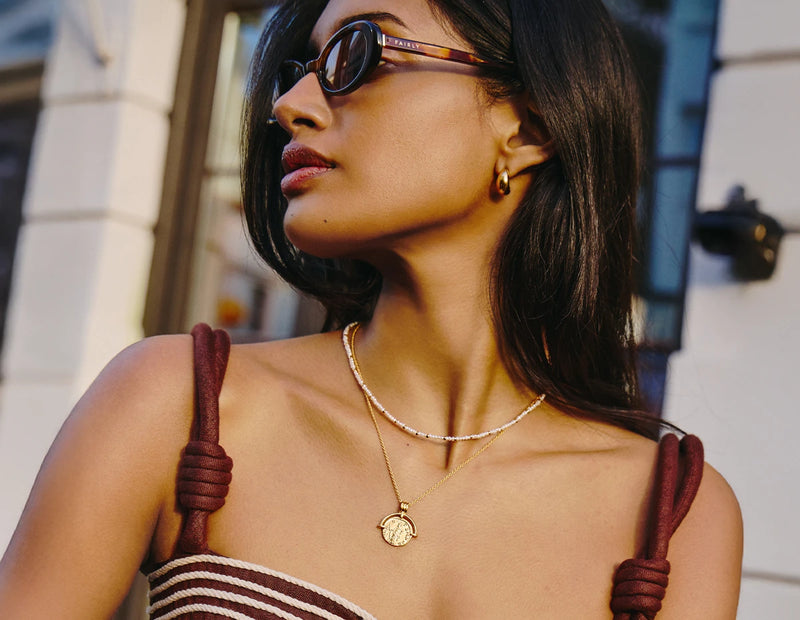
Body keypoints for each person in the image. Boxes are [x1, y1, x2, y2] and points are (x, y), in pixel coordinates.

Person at [0, 0, 743, 617]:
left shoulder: (675, 516)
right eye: (297, 70)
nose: (290, 106)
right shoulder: (181, 404)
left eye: (357, 54)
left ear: (527, 125)